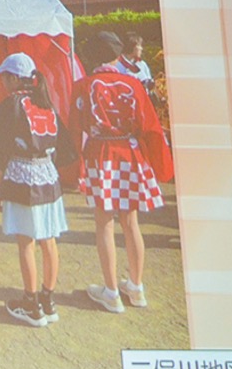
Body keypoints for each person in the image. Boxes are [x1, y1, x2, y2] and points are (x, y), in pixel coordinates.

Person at [71, 31, 174, 313]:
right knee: (131, 222)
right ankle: (136, 288)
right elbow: (150, 126)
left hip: (100, 153)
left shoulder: (83, 86)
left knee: (104, 222)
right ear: (118, 55)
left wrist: (75, 167)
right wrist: (160, 165)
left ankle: (111, 292)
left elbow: (75, 128)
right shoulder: (134, 84)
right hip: (131, 152)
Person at [0, 53, 75, 328]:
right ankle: (48, 299)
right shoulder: (45, 101)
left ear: (15, 78)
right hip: (48, 176)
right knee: (48, 239)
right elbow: (65, 145)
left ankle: (31, 303)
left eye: (5, 77)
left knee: (26, 240)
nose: (3, 82)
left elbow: (1, 150)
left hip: (21, 176)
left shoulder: (10, 105)